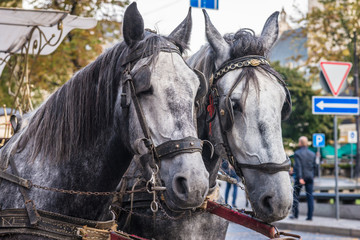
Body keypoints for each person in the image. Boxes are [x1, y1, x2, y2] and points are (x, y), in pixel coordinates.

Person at [291, 136, 316, 221]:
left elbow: (299, 166)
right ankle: (310, 216)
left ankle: (295, 214)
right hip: (310, 177)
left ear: (301, 143)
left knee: (295, 195)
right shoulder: (312, 154)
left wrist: (300, 177)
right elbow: (315, 167)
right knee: (310, 197)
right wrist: (313, 176)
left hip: (300, 177)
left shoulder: (297, 153)